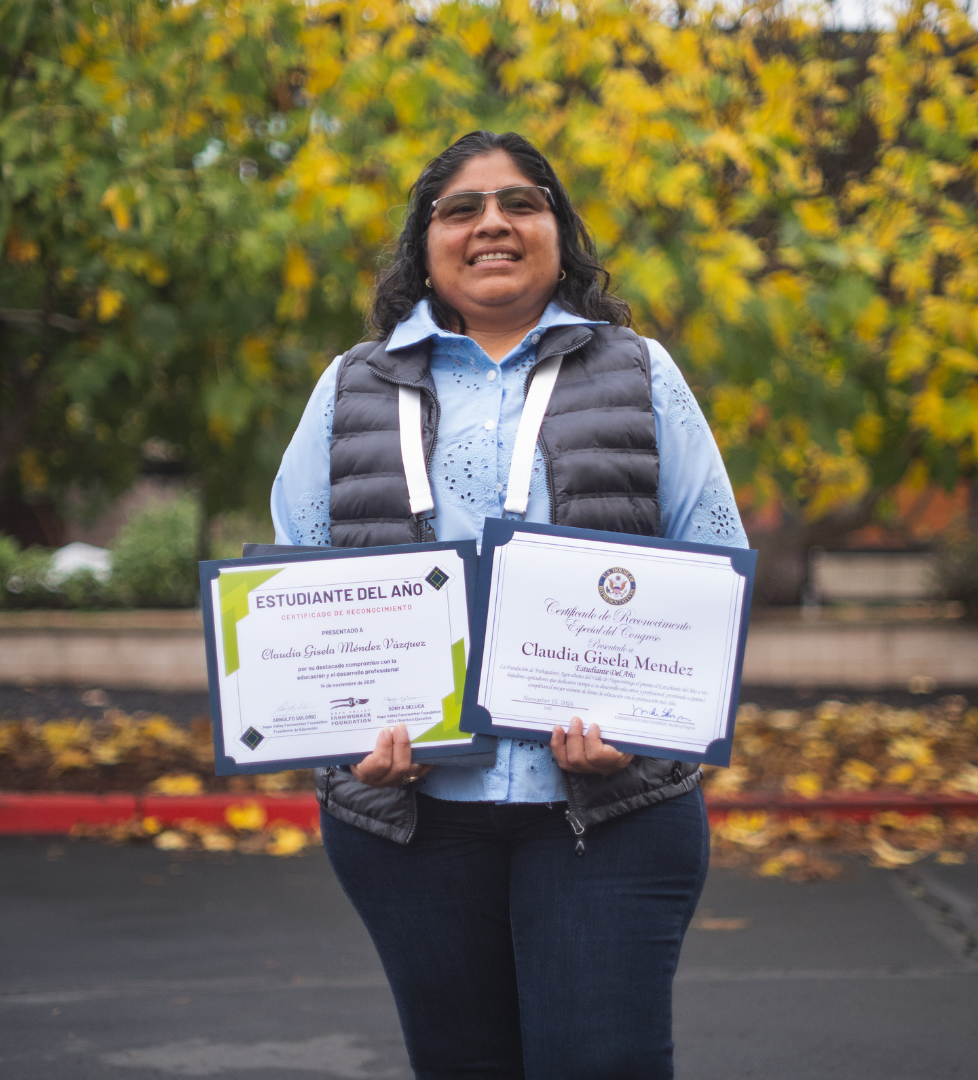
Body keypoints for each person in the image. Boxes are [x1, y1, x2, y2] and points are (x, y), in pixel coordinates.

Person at [271, 130, 748, 1080]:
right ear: (426, 245)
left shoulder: (640, 371)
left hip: (611, 809)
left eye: (521, 203)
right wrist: (342, 729)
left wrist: (645, 720)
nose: (492, 222)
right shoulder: (351, 385)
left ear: (559, 235)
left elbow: (714, 562)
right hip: (409, 818)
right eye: (461, 209)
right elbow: (299, 582)